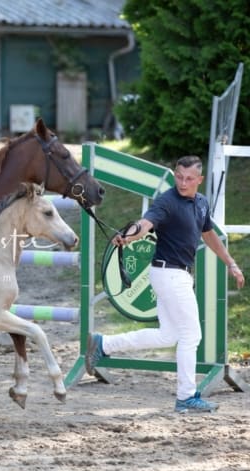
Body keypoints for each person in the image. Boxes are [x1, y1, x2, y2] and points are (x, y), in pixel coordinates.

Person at [85, 155, 245, 413]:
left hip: (176, 276)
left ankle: (104, 344)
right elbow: (145, 224)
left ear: (199, 180)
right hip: (170, 275)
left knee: (168, 335)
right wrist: (127, 236)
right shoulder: (167, 201)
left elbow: (209, 234)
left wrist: (230, 263)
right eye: (179, 177)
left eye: (189, 178)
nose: (183, 182)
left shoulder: (201, 203)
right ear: (175, 175)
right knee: (192, 335)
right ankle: (186, 397)